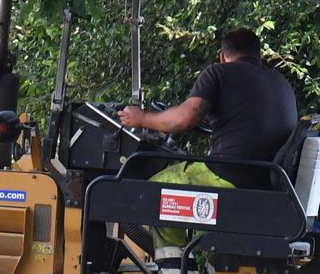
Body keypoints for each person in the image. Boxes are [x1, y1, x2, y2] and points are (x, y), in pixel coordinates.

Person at [119, 27, 297, 187]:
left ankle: (134, 225)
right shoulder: (281, 81)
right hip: (269, 179)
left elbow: (185, 119)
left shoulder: (219, 72)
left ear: (222, 56)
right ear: (258, 55)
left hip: (229, 174)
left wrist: (142, 118)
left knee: (143, 190)